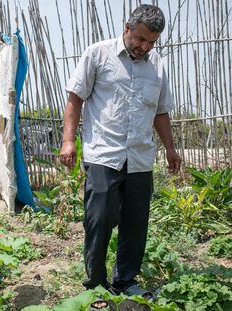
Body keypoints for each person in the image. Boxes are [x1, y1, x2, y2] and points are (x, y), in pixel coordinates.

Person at [59, 4, 181, 308]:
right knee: (99, 219)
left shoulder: (158, 66)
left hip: (140, 157)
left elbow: (161, 111)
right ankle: (96, 285)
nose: (145, 47)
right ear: (127, 28)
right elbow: (75, 97)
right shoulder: (98, 54)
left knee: (136, 223)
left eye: (151, 42)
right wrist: (68, 140)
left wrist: (170, 148)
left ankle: (126, 281)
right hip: (103, 152)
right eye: (140, 39)